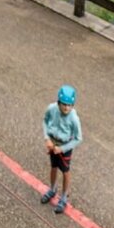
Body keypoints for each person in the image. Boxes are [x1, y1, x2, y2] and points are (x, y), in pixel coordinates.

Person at [39, 85, 82, 214]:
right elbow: (45, 121)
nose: (67, 108)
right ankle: (52, 189)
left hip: (64, 146)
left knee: (65, 171)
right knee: (53, 167)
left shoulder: (74, 118)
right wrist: (47, 138)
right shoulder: (51, 109)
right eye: (64, 104)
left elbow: (78, 138)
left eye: (70, 105)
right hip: (53, 143)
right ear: (59, 102)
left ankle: (64, 197)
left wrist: (63, 148)